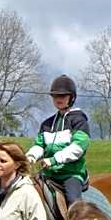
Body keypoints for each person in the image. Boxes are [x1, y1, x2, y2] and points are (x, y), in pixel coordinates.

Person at [26, 74, 91, 206]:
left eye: (62, 96)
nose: (58, 99)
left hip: (70, 174)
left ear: (71, 97)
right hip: (48, 175)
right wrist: (30, 157)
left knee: (74, 204)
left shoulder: (79, 121)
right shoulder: (47, 124)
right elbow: (39, 145)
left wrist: (53, 160)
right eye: (55, 96)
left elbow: (77, 148)